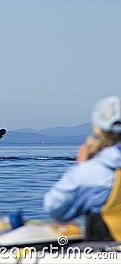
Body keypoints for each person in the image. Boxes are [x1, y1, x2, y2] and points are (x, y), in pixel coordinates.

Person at [44, 96, 121, 241]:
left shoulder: (92, 171)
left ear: (97, 129)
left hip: (107, 250)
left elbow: (55, 209)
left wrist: (80, 168)